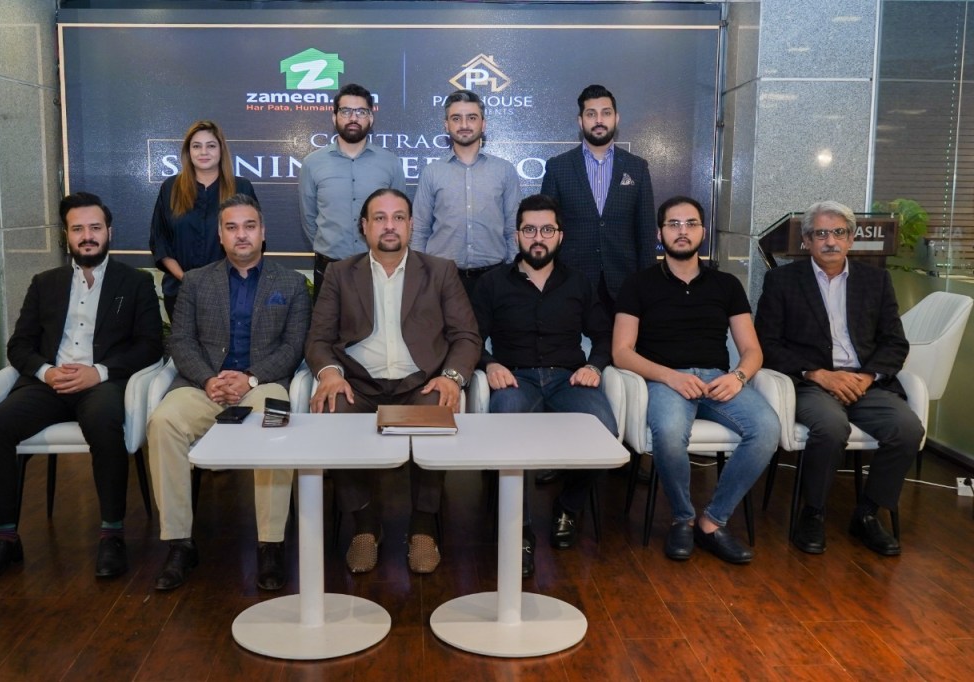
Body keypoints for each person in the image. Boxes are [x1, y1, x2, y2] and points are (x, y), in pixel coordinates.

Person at [0, 192, 163, 582]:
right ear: (66, 235)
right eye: (78, 229)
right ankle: (4, 539)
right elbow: (19, 345)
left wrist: (99, 372)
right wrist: (45, 372)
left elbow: (150, 345)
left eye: (95, 228)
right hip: (48, 384)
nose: (87, 236)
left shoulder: (135, 282)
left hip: (101, 384)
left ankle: (112, 534)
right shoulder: (45, 283)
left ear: (109, 232)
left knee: (105, 421)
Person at [306, 188, 481, 575]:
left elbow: (466, 336)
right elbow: (318, 339)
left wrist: (452, 377)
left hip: (420, 383)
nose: (390, 226)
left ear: (411, 225)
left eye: (398, 217)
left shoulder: (439, 271)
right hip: (359, 384)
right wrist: (330, 373)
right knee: (333, 412)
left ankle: (423, 527)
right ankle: (365, 526)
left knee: (437, 411)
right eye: (380, 218)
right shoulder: (339, 273)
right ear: (365, 226)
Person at [147, 194, 311, 591]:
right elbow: (181, 341)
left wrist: (250, 378)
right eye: (232, 227)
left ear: (263, 232)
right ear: (220, 235)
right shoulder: (195, 281)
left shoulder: (291, 283)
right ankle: (180, 543)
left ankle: (270, 544)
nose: (241, 235)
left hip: (261, 385)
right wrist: (208, 379)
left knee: (274, 422)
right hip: (203, 386)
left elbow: (294, 346)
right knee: (163, 422)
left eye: (249, 226)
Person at [611, 195, 779, 564]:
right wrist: (669, 377)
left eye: (691, 224)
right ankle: (683, 518)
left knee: (768, 428)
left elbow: (752, 350)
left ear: (703, 232)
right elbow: (621, 352)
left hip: (718, 380)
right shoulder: (638, 284)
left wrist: (738, 377)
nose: (682, 231)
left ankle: (712, 521)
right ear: (660, 234)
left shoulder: (726, 285)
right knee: (670, 434)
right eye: (673, 224)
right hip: (665, 381)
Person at [755, 200, 924, 557]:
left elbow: (895, 342)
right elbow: (767, 344)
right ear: (806, 241)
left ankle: (867, 514)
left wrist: (867, 376)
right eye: (820, 234)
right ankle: (813, 512)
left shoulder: (876, 281)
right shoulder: (782, 281)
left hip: (864, 383)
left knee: (908, 428)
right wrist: (818, 374)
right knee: (831, 427)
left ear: (851, 238)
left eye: (838, 233)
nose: (830, 241)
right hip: (811, 383)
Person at [471, 194, 617, 578]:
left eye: (547, 230)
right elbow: (469, 339)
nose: (538, 238)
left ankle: (567, 506)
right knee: (506, 428)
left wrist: (595, 365)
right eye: (530, 230)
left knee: (606, 432)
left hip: (568, 378)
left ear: (560, 235)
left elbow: (604, 335)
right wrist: (489, 364)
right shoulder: (492, 283)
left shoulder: (579, 283)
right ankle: (519, 530)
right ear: (516, 235)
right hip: (516, 377)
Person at [541, 84, 657, 316]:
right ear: (580, 121)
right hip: (571, 282)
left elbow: (645, 231)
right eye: (591, 114)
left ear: (616, 118)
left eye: (606, 113)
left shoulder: (637, 167)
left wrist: (647, 285)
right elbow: (546, 229)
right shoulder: (558, 167)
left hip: (624, 282)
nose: (599, 120)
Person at [299, 83, 406, 298]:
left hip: (380, 267)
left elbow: (400, 217)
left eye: (361, 112)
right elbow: (309, 218)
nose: (353, 118)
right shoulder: (312, 163)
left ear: (371, 118)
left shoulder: (390, 163)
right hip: (329, 268)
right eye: (346, 111)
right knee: (327, 322)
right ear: (334, 117)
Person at [411, 89, 521, 296]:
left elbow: (512, 229)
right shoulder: (432, 172)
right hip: (441, 278)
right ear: (446, 125)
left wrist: (511, 273)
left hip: (494, 279)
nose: (464, 125)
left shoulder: (504, 171)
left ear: (483, 124)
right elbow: (420, 230)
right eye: (456, 118)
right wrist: (420, 274)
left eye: (471, 118)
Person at [150, 120, 257, 320]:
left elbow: (253, 240)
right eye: (196, 146)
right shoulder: (170, 188)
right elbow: (160, 241)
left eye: (211, 145)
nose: (203, 152)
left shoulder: (242, 187)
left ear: (221, 150)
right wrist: (186, 279)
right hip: (180, 291)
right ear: (188, 152)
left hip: (231, 291)